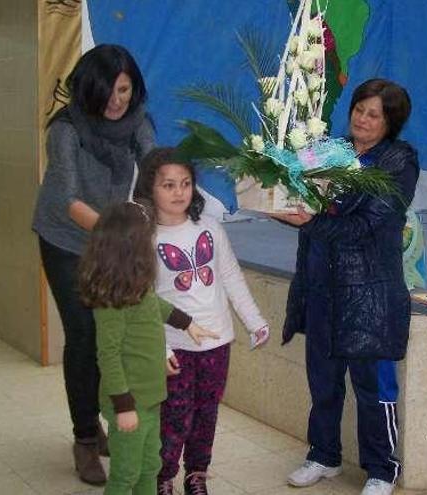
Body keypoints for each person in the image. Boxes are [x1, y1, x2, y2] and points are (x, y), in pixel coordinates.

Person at [271, 79, 419, 495]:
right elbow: (296, 197)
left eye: (374, 114)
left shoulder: (399, 161)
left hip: (368, 293)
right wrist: (277, 200)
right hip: (322, 286)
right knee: (323, 380)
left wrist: (310, 221)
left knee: (374, 387)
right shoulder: (328, 151)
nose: (362, 118)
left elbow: (369, 225)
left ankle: (382, 470)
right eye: (359, 109)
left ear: (390, 123)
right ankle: (323, 455)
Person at [32, 44, 155, 485]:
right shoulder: (65, 129)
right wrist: (118, 232)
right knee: (84, 334)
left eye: (124, 90)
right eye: (107, 91)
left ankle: (104, 419)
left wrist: (174, 207)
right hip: (65, 239)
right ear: (88, 88)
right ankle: (85, 438)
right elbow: (67, 200)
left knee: (114, 334)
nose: (116, 101)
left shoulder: (138, 122)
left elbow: (154, 172)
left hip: (109, 240)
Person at [133, 148, 271, 495]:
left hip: (216, 343)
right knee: (174, 417)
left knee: (206, 414)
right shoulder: (146, 238)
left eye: (185, 184)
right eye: (168, 185)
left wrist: (254, 321)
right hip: (174, 347)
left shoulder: (209, 228)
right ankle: (162, 476)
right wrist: (161, 347)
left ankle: (197, 474)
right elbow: (144, 300)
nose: (179, 192)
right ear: (150, 188)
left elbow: (231, 277)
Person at [80, 201, 218, 495]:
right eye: (148, 238)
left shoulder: (136, 285)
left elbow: (155, 305)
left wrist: (187, 322)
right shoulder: (110, 300)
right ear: (129, 247)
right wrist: (124, 407)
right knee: (126, 474)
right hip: (129, 403)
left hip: (151, 396)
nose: (152, 244)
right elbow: (109, 356)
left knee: (149, 468)